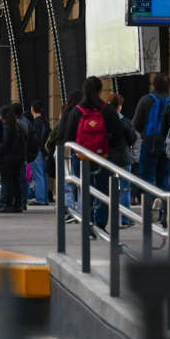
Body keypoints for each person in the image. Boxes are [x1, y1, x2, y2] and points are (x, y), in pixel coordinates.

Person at [64, 77, 123, 230]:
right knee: (103, 189)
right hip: (103, 156)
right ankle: (101, 222)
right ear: (100, 90)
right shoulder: (107, 110)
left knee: (85, 190)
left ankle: (88, 222)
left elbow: (69, 137)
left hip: (81, 157)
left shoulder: (77, 111)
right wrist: (109, 147)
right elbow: (118, 134)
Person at [132, 73, 170, 218]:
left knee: (147, 178)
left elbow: (135, 123)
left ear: (154, 85)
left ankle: (150, 209)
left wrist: (144, 133)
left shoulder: (145, 100)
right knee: (164, 178)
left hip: (149, 143)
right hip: (167, 145)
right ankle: (161, 207)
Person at [47, 90, 83, 222]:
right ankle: (82, 211)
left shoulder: (68, 113)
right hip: (84, 151)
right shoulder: (85, 111)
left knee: (67, 183)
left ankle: (69, 210)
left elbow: (62, 132)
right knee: (81, 183)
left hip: (68, 151)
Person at [108, 94, 137, 227]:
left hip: (107, 157)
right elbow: (132, 139)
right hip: (123, 157)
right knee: (125, 188)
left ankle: (102, 218)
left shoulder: (104, 120)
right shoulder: (125, 121)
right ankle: (125, 219)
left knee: (104, 187)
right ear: (119, 106)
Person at [0, 105, 26, 213]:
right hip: (18, 158)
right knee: (16, 181)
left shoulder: (6, 128)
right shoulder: (17, 126)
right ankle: (17, 204)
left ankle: (7, 204)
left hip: (7, 159)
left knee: (8, 182)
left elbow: (4, 143)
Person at [28, 100, 51, 206]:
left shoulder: (36, 123)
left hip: (38, 152)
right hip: (46, 152)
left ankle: (40, 198)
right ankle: (45, 197)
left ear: (32, 109)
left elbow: (35, 139)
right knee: (44, 175)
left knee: (38, 175)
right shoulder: (46, 122)